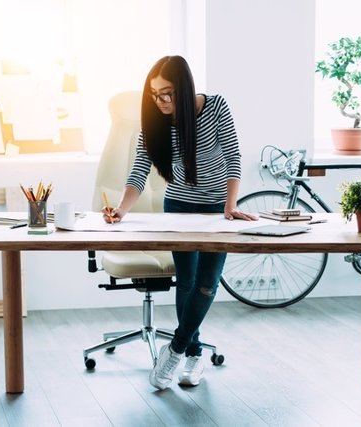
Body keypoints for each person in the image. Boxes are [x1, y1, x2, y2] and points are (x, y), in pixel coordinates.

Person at [102, 55, 257, 390]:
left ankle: (173, 350)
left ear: (185, 89)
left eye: (168, 93)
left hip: (217, 208)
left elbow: (233, 157)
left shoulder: (215, 108)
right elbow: (139, 170)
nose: (161, 102)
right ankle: (194, 353)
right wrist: (121, 209)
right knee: (186, 282)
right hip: (179, 208)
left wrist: (230, 205)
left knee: (207, 284)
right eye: (155, 95)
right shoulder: (155, 121)